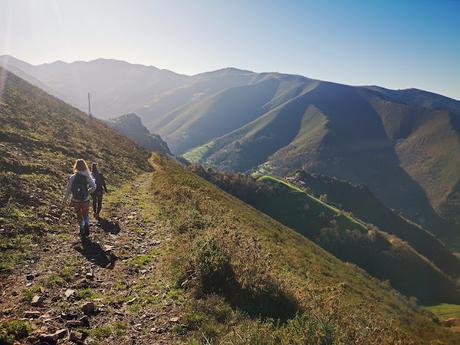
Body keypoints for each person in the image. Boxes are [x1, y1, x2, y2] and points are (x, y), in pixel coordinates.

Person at [63, 159, 96, 237]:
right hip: (85, 199)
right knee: (86, 213)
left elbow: (68, 190)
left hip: (75, 199)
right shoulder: (87, 176)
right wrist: (87, 192)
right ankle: (87, 224)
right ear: (85, 166)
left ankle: (81, 228)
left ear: (76, 166)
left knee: (79, 214)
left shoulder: (72, 177)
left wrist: (65, 200)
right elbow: (94, 186)